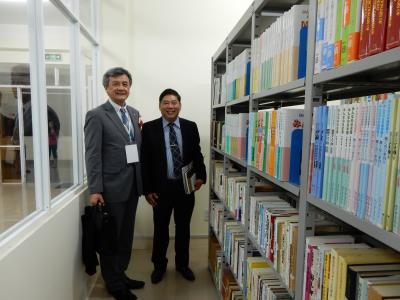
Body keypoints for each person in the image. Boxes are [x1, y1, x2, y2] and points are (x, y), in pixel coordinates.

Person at [84, 67, 144, 300]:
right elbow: (92, 154)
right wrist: (95, 189)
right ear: (106, 87)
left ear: (129, 87)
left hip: (132, 186)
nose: (121, 88)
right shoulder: (96, 115)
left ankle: (121, 274)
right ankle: (114, 283)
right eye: (116, 84)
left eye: (125, 83)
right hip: (110, 188)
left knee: (126, 236)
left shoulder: (133, 112)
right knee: (111, 238)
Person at [141, 88, 207, 284]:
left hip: (185, 187)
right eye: (166, 103)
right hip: (160, 190)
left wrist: (201, 175)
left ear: (179, 104)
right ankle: (159, 267)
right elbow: (145, 161)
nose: (170, 106)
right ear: (160, 105)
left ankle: (182, 265)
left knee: (183, 228)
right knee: (160, 229)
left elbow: (197, 154)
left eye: (174, 102)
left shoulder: (190, 127)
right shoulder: (150, 128)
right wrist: (147, 189)